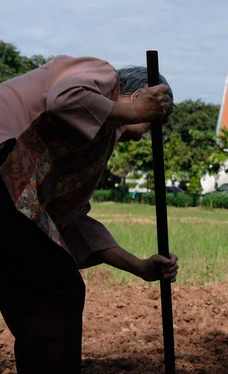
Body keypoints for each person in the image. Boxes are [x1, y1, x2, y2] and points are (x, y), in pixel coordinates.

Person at [0, 55, 179, 373]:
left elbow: (69, 219)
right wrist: (133, 111)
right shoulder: (102, 75)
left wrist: (139, 266)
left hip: (11, 197)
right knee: (54, 293)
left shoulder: (95, 145)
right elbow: (64, 99)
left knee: (38, 290)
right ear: (139, 95)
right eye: (154, 119)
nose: (148, 132)